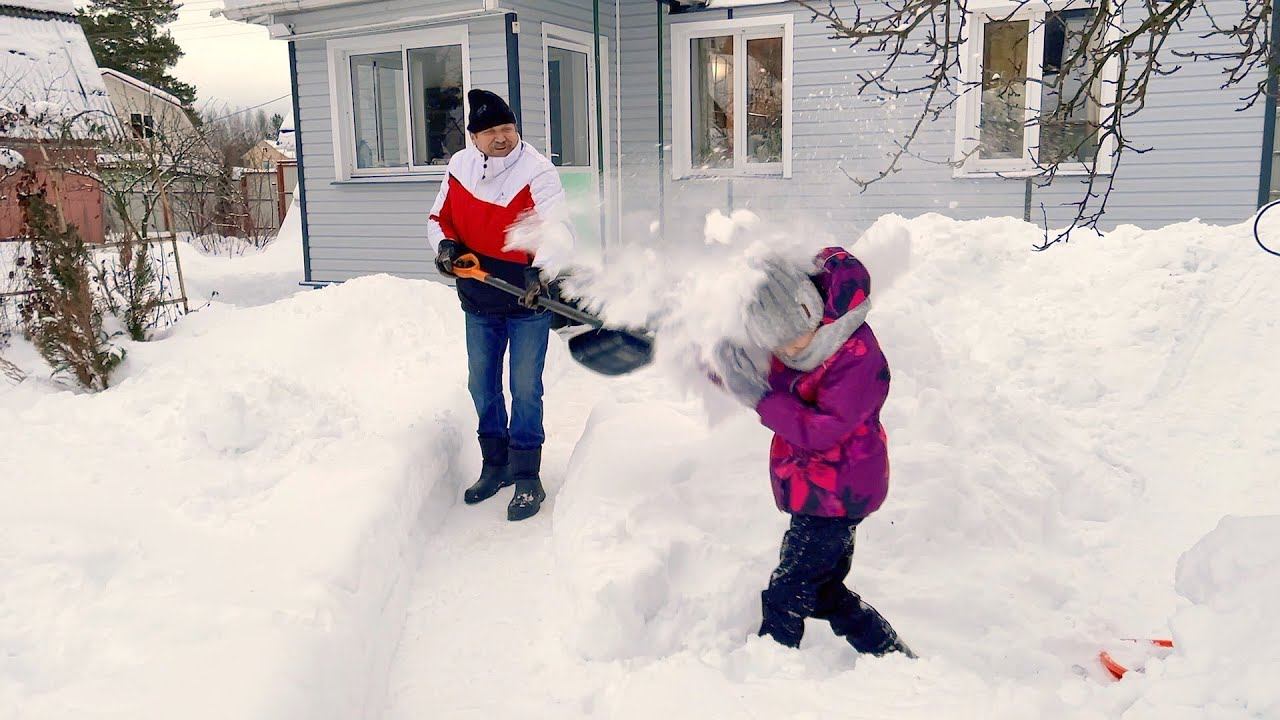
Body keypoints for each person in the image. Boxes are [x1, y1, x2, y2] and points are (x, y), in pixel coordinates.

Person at [713, 248, 914, 657]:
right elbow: (764, 375)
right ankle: (888, 652)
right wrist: (722, 367)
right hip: (820, 487)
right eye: (776, 344)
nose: (786, 351)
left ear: (809, 311)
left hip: (840, 492)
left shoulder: (856, 356)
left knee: (789, 589)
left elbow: (821, 431)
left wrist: (759, 397)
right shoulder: (804, 342)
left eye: (789, 340)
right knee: (822, 590)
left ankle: (770, 665)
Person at [427, 89, 571, 522]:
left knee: (525, 387)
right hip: (479, 299)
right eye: (490, 131)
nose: (501, 137)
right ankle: (496, 465)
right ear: (474, 137)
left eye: (507, 128)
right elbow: (439, 219)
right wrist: (446, 248)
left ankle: (528, 475)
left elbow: (558, 228)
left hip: (528, 301)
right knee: (481, 385)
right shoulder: (459, 168)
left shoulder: (538, 172)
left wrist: (540, 270)